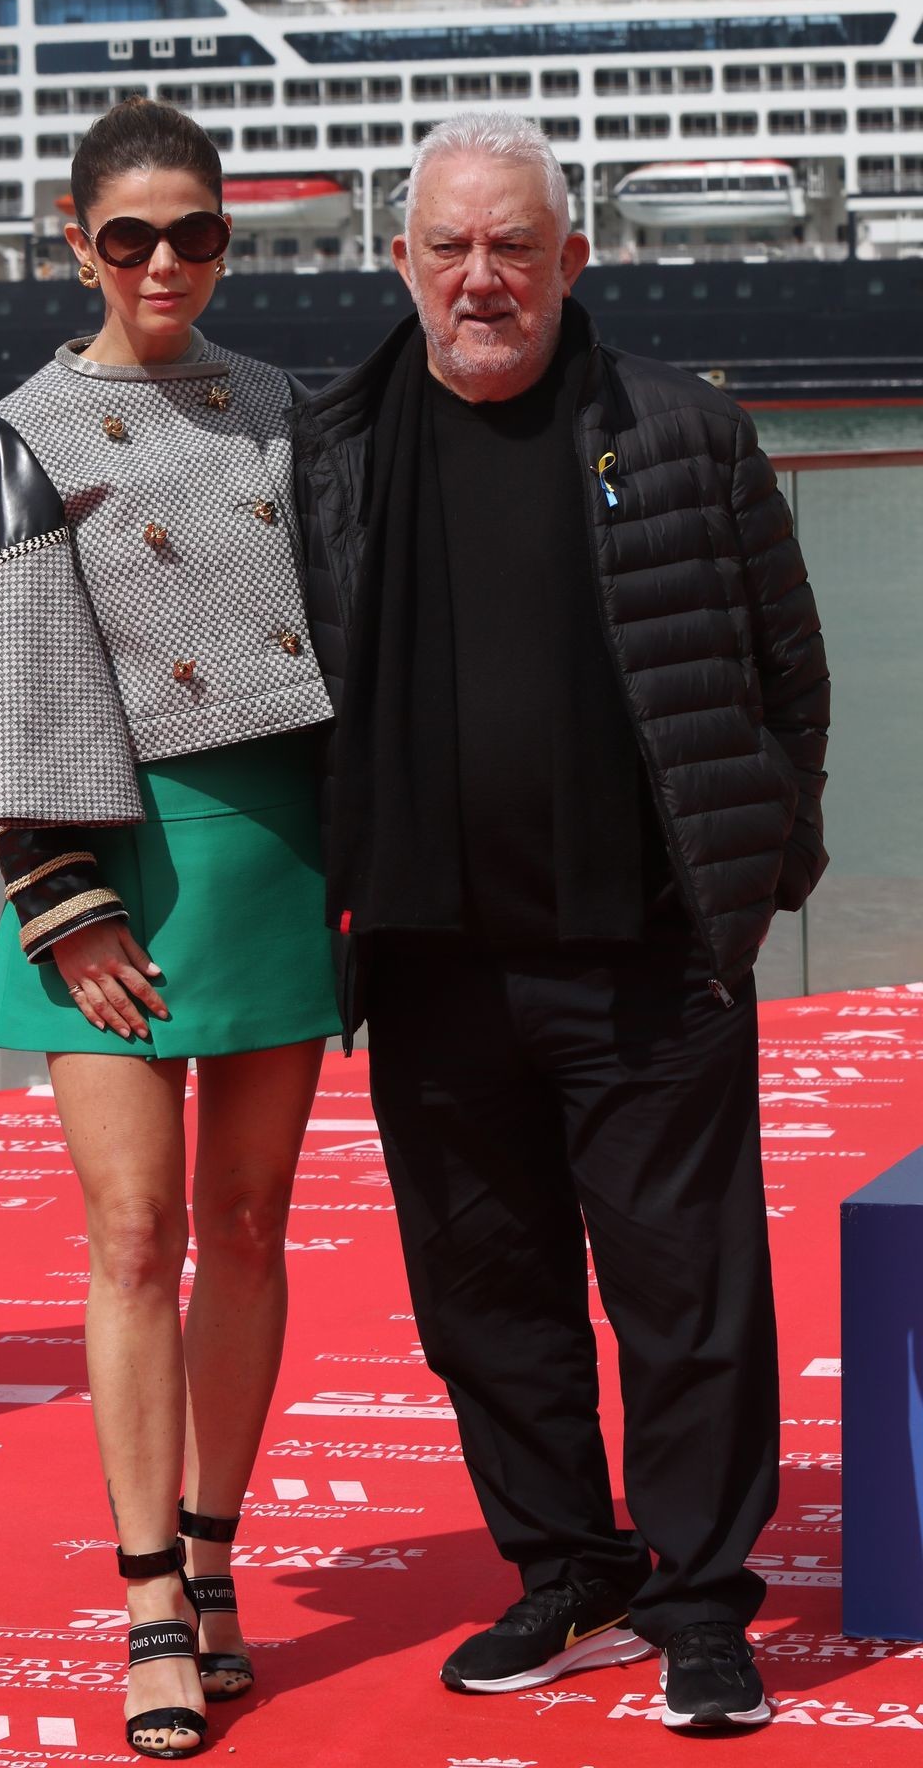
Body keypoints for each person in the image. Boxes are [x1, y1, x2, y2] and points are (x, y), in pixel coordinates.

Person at [290, 111, 830, 1733]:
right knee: (488, 1305)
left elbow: (788, 677)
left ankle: (703, 1606)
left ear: (571, 259)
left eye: (513, 246)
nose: (482, 278)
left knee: (689, 1301)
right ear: (400, 261)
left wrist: (754, 878)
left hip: (647, 960)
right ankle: (570, 1572)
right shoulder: (329, 449)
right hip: (431, 964)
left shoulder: (682, 434)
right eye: (451, 247)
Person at [0, 98, 341, 1762]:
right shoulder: (29, 431)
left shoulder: (289, 409)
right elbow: (5, 677)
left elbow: (364, 625)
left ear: (227, 240)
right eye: (129, 237)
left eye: (195, 234)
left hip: (278, 849)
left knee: (251, 1225)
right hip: (105, 862)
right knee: (133, 1232)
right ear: (77, 244)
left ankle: (217, 1563)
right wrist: (59, 902)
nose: (163, 264)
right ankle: (148, 1609)